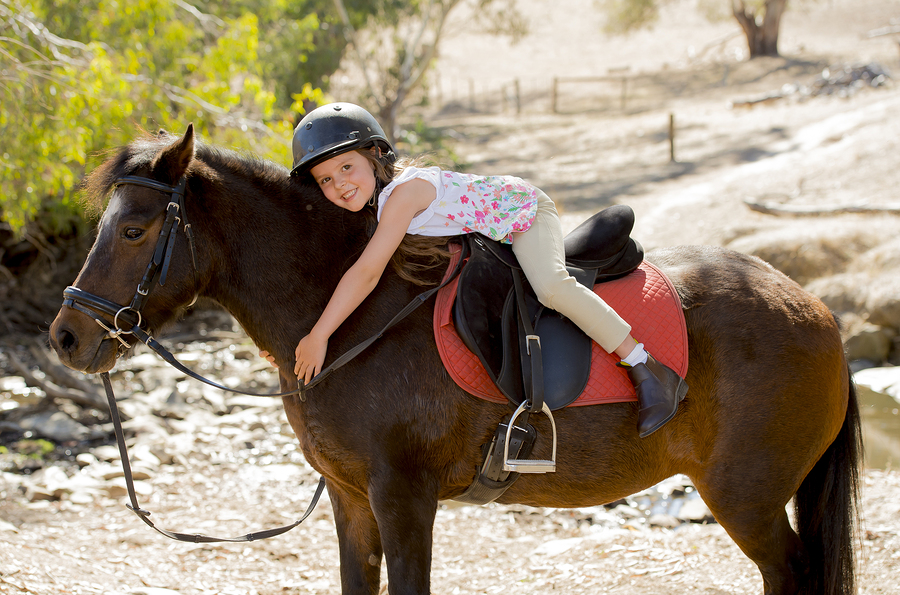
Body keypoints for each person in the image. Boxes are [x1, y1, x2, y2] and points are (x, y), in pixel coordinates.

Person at [266, 102, 687, 438]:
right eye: (324, 180)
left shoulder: (403, 196)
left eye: (346, 168)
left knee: (551, 287)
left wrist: (320, 335)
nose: (338, 185)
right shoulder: (374, 206)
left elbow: (368, 273)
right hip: (489, 231)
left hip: (524, 212)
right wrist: (293, 339)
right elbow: (352, 273)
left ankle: (644, 364)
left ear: (376, 156)